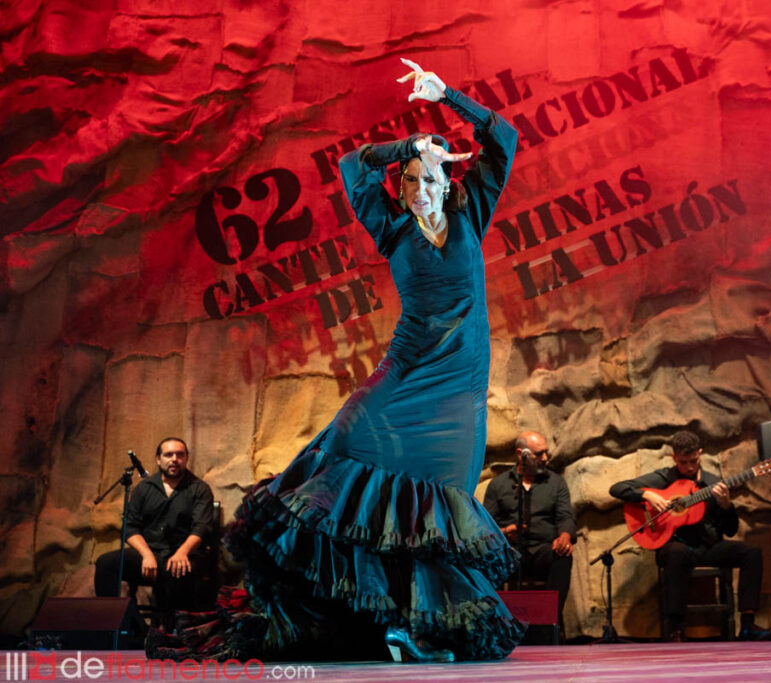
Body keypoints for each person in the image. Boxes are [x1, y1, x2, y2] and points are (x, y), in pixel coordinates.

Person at [149, 59, 522, 664]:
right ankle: (388, 627)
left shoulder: (471, 215)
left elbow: (501, 139)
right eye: (411, 183)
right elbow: (352, 165)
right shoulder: (392, 230)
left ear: (448, 184)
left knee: (435, 511)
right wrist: (407, 144)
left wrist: (447, 96)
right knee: (344, 451)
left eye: (431, 180)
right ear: (400, 192)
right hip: (402, 373)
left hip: (457, 394)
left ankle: (417, 626)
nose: (422, 191)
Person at [609, 430, 771, 641]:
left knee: (751, 552)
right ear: (674, 458)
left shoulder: (713, 483)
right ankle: (676, 629)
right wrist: (646, 494)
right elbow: (616, 488)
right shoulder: (664, 479)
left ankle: (748, 625)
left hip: (708, 547)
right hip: (674, 547)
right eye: (683, 462)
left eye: (693, 461)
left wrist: (726, 506)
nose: (688, 467)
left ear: (700, 454)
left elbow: (731, 530)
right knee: (677, 554)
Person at [95, 438, 216, 628]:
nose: (174, 459)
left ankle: (171, 634)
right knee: (106, 564)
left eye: (180, 455)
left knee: (178, 569)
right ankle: (117, 627)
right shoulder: (144, 488)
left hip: (183, 553)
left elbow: (201, 528)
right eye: (168, 455)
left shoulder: (200, 489)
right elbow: (131, 527)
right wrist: (146, 554)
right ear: (158, 459)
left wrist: (182, 552)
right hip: (149, 554)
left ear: (186, 459)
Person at [484, 430, 576, 628]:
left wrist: (565, 536)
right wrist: (506, 532)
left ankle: (549, 622)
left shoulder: (556, 483)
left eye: (546, 453)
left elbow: (565, 516)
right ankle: (497, 625)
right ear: (521, 454)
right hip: (510, 552)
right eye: (539, 454)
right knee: (489, 560)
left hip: (543, 550)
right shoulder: (498, 485)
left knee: (563, 557)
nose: (545, 458)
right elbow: (486, 527)